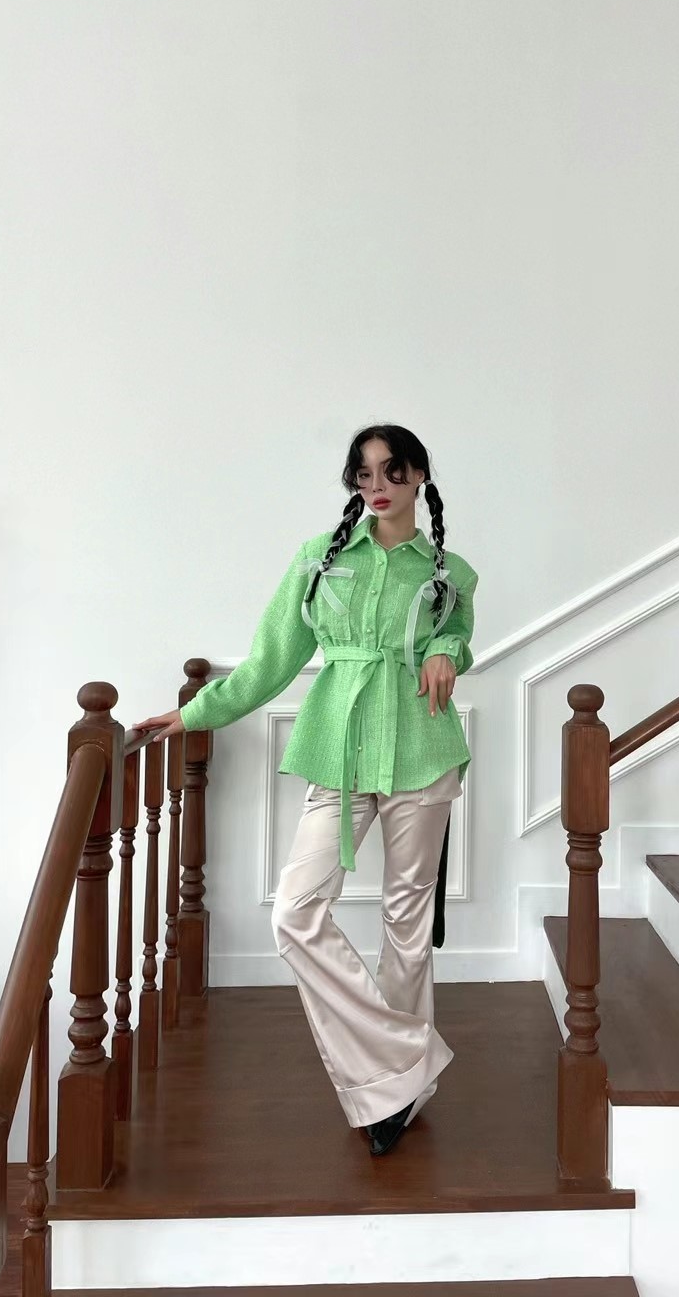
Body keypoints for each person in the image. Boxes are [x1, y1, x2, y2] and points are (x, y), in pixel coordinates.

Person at [132, 423, 478, 1157]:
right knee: (296, 911)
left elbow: (458, 637)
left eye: (390, 470)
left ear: (419, 475)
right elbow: (271, 660)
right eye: (363, 473)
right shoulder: (320, 560)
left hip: (424, 750)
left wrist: (446, 650)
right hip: (340, 749)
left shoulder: (451, 571)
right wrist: (194, 714)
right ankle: (403, 1061)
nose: (375, 485)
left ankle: (398, 1096)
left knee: (407, 924)